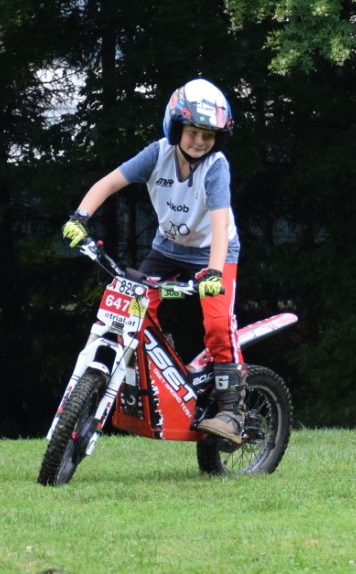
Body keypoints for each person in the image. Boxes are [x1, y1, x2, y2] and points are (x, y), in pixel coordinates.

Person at [61, 78, 246, 444]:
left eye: (209, 135)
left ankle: (231, 411)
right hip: (167, 248)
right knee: (131, 308)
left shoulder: (216, 166)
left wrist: (213, 271)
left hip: (214, 252)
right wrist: (79, 217)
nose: (200, 141)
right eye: (193, 131)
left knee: (217, 321)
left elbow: (221, 221)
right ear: (176, 127)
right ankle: (166, 370)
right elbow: (110, 183)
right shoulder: (157, 154)